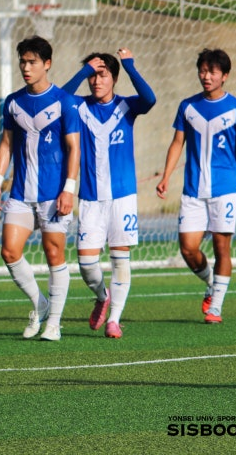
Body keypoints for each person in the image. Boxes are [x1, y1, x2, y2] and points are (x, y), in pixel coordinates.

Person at [156, 48, 236, 324]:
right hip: (192, 191)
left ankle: (216, 307)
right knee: (188, 249)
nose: (206, 76)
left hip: (224, 190)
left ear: (224, 76)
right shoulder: (188, 107)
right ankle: (213, 283)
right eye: (203, 70)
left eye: (212, 71)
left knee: (221, 248)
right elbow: (178, 143)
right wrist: (165, 176)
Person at [0, 35, 80, 341]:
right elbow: (6, 143)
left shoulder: (65, 103)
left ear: (47, 64)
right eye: (23, 62)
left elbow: (74, 148)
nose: (26, 68)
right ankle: (39, 304)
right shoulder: (13, 102)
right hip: (20, 193)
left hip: (54, 194)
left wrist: (69, 189)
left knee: (54, 253)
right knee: (9, 251)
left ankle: (54, 322)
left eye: (32, 62)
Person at [60, 48, 156, 339]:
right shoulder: (79, 107)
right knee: (86, 263)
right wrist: (83, 70)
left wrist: (130, 66)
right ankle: (103, 297)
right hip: (90, 198)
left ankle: (114, 320)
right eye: (93, 76)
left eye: (102, 75)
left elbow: (150, 99)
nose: (96, 81)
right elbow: (59, 99)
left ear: (113, 78)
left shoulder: (127, 106)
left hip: (123, 197)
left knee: (119, 259)